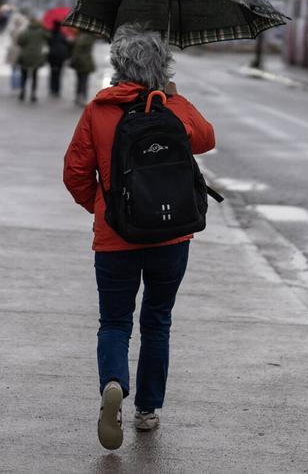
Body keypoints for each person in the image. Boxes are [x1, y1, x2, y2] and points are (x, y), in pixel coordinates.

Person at [62, 24, 215, 450]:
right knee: (157, 320)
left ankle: (113, 382)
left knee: (114, 321)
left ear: (117, 64)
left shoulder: (99, 110)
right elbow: (207, 138)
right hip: (171, 236)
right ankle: (147, 410)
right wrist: (175, 96)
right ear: (162, 66)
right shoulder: (172, 107)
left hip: (116, 237)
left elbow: (75, 173)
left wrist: (102, 207)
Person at [14, 19, 48, 103]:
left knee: (24, 75)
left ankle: (22, 92)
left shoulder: (25, 32)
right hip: (37, 56)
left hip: (25, 56)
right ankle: (33, 94)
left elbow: (19, 42)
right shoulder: (41, 32)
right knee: (35, 76)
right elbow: (49, 37)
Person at [69, 31, 97, 105]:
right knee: (81, 80)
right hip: (82, 61)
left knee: (82, 80)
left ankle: (81, 97)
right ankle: (80, 96)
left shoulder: (83, 37)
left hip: (82, 61)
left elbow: (79, 46)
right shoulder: (88, 36)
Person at [47, 26, 72, 97]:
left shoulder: (51, 35)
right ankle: (57, 90)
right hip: (60, 57)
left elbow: (48, 43)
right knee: (58, 73)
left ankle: (52, 89)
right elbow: (67, 44)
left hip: (52, 56)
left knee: (53, 73)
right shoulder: (62, 35)